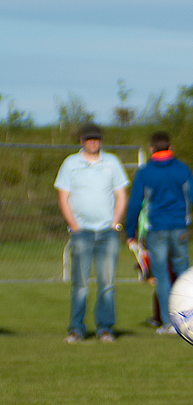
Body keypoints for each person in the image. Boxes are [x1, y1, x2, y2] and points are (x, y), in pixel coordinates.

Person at [125, 132, 193, 335]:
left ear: (151, 149)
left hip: (156, 230)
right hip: (180, 229)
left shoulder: (145, 172)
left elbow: (135, 204)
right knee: (184, 275)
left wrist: (130, 232)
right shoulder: (182, 169)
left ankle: (168, 323)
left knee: (162, 276)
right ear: (171, 147)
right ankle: (187, 320)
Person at [55, 122, 129, 343]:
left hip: (107, 233)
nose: (93, 142)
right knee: (80, 285)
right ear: (82, 141)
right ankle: (76, 329)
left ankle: (105, 329)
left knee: (107, 284)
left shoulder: (112, 162)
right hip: (82, 233)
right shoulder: (71, 163)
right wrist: (75, 227)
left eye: (96, 138)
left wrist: (115, 223)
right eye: (89, 139)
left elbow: (121, 195)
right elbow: (63, 198)